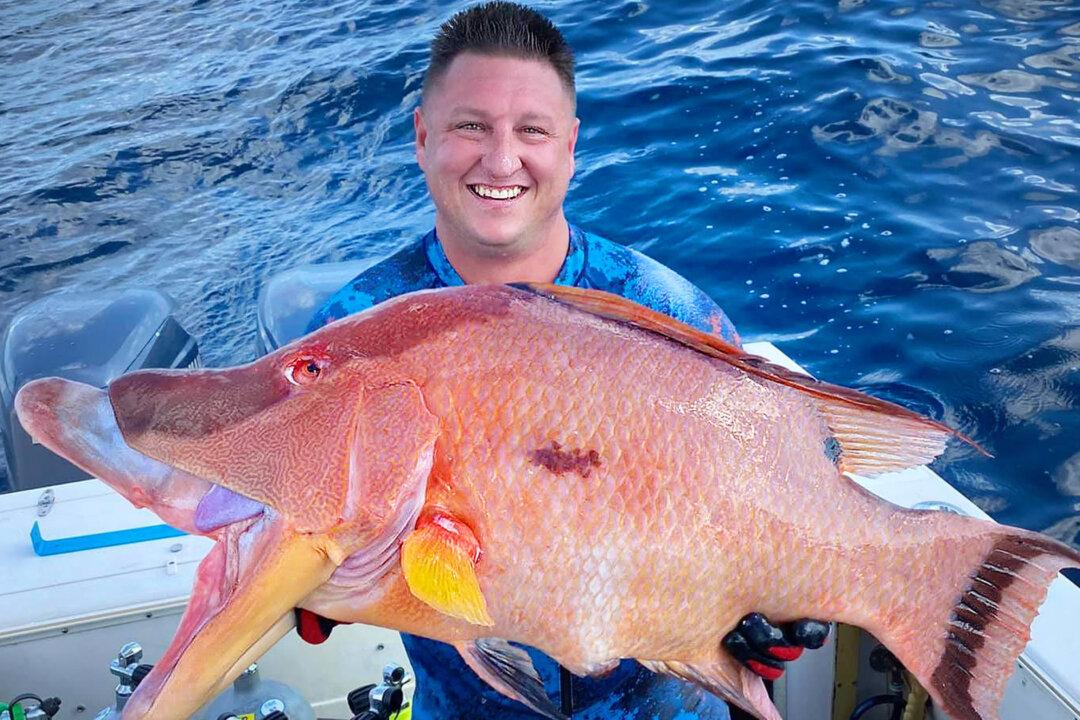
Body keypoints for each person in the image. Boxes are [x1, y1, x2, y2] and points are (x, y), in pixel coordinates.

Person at [296, 3, 828, 718]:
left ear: (570, 145)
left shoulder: (670, 313)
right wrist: (304, 588)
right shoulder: (352, 333)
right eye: (471, 126)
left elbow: (776, 498)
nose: (501, 160)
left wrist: (779, 613)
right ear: (422, 137)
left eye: (533, 130)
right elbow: (295, 529)